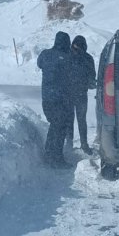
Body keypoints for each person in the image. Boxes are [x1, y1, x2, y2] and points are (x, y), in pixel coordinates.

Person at [37, 31, 73, 168]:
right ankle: (56, 158)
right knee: (60, 128)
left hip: (46, 99)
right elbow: (71, 75)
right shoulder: (66, 58)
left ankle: (49, 154)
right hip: (60, 100)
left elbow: (39, 64)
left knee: (54, 126)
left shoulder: (45, 54)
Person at [69, 35, 96, 155]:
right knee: (81, 120)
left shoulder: (67, 56)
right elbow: (92, 78)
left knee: (69, 119)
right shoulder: (88, 58)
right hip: (81, 93)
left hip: (68, 93)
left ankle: (69, 144)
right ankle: (84, 144)